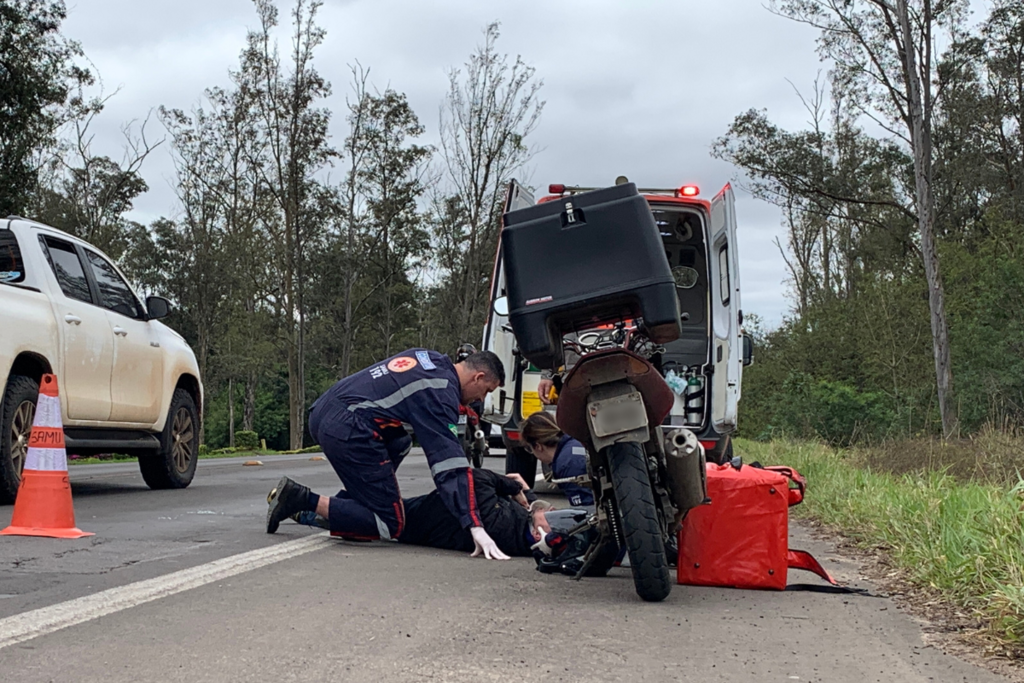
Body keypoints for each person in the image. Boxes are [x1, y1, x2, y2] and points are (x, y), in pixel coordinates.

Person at [265, 348, 510, 560]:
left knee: (400, 442)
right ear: (477, 377)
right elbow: (448, 463)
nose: (481, 399)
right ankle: (301, 500)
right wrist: (474, 524)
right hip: (348, 427)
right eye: (486, 390)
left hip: (325, 411)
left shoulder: (429, 358)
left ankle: (344, 510)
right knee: (390, 523)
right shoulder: (439, 391)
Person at [520, 411, 594, 508]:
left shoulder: (567, 464)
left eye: (530, 448)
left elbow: (586, 510)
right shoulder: (574, 442)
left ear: (538, 446)